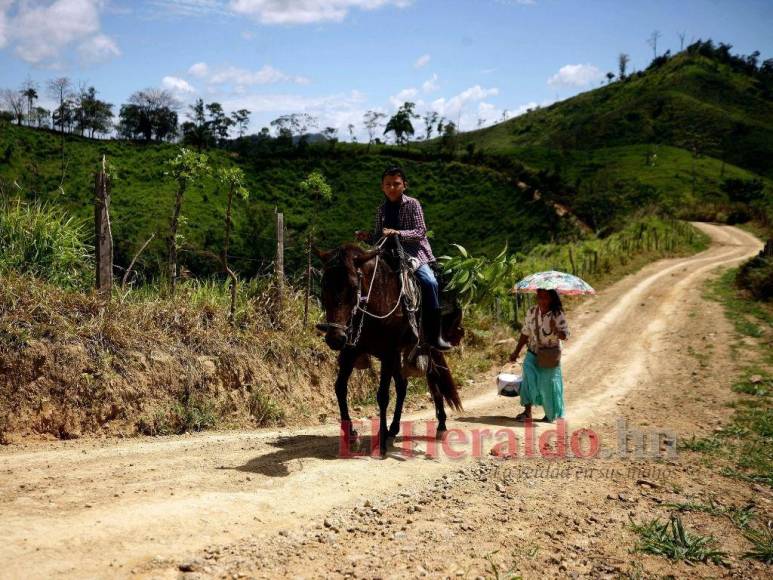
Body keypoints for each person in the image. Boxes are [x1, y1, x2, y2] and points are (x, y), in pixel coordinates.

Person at [355, 166, 452, 351]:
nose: (392, 188)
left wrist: (398, 232)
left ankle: (434, 335)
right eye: (388, 184)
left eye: (396, 184)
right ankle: (358, 331)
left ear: (404, 185)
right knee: (361, 275)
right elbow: (379, 237)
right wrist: (366, 236)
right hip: (386, 254)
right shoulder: (381, 210)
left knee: (430, 282)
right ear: (382, 187)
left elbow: (420, 231)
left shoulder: (413, 204)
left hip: (413, 253)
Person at [508, 289, 569, 422]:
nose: (542, 300)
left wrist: (556, 330)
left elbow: (565, 336)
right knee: (528, 379)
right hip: (533, 351)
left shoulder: (557, 314)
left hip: (550, 354)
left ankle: (551, 414)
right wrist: (516, 352)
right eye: (540, 297)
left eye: (545, 297)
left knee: (548, 384)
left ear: (551, 299)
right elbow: (525, 333)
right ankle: (527, 411)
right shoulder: (531, 312)